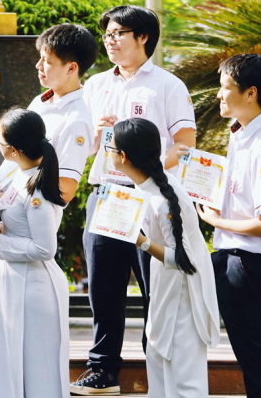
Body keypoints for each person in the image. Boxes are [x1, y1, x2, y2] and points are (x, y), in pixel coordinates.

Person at [73, 5, 196, 396]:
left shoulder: (167, 85)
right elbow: (86, 147)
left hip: (150, 197)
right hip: (107, 194)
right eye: (107, 35)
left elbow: (186, 146)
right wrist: (95, 134)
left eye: (118, 33)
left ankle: (156, 369)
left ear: (143, 37)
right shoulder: (93, 86)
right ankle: (102, 370)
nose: (110, 41)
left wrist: (146, 168)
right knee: (103, 286)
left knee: (153, 285)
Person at [0, 23, 97, 375]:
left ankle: (12, 384)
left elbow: (64, 190)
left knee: (2, 320)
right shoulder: (40, 102)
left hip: (21, 233)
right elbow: (12, 161)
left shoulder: (76, 119)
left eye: (48, 61)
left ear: (72, 68)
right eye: (39, 59)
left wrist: (15, 198)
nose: (39, 67)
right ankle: (7, 384)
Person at [197, 54, 261, 398]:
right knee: (248, 350)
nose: (218, 95)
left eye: (225, 88)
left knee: (254, 352)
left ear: (250, 93)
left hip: (249, 260)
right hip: (231, 253)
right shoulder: (241, 133)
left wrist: (218, 220)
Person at [108, 118, 219, 398]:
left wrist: (141, 242)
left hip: (184, 292)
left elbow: (184, 260)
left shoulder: (164, 198)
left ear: (123, 157)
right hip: (164, 284)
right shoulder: (146, 186)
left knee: (183, 375)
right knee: (157, 360)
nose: (106, 152)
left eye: (109, 147)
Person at [0, 108, 69, 398]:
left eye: (0, 135)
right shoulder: (20, 174)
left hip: (34, 287)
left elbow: (44, 248)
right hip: (17, 281)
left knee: (37, 372)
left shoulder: (36, 189)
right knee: (16, 364)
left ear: (13, 149)